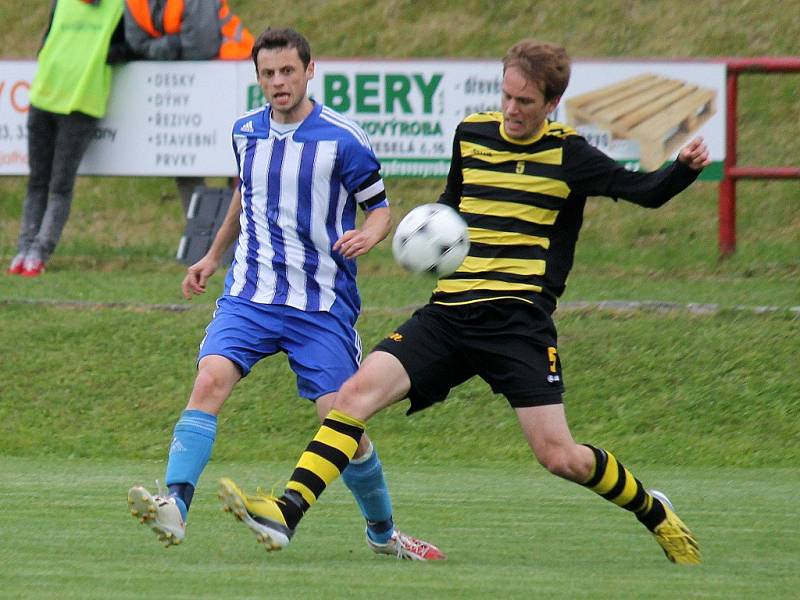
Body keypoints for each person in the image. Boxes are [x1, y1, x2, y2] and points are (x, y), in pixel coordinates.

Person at [217, 39, 710, 565]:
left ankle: (654, 511)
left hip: (518, 323)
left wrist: (682, 168)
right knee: (352, 398)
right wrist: (425, 236)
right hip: (449, 313)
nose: (513, 109)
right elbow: (454, 206)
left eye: (525, 101)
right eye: (507, 96)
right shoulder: (472, 135)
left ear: (551, 105)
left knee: (560, 457)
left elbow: (645, 190)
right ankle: (285, 513)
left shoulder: (569, 156)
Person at [127, 27, 445, 561]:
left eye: (288, 72)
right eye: (268, 74)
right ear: (258, 77)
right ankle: (176, 507)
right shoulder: (245, 131)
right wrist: (210, 256)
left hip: (320, 305)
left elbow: (381, 206)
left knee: (340, 421)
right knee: (209, 380)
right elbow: (244, 198)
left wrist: (372, 233)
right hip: (250, 293)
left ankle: (383, 530)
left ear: (309, 70)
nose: (278, 82)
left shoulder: (344, 138)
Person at [7, 0, 130, 277]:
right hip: (43, 97)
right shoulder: (61, 2)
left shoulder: (116, 8)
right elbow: (48, 40)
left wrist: (99, 57)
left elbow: (125, 48)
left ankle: (40, 252)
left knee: (60, 184)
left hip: (81, 104)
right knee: (37, 180)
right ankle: (23, 248)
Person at [123, 0, 255, 212]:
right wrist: (173, 45)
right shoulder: (134, 3)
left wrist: (164, 49)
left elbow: (202, 46)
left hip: (234, 72)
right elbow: (137, 44)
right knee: (185, 165)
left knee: (239, 168)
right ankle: (205, 235)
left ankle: (244, 234)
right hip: (192, 82)